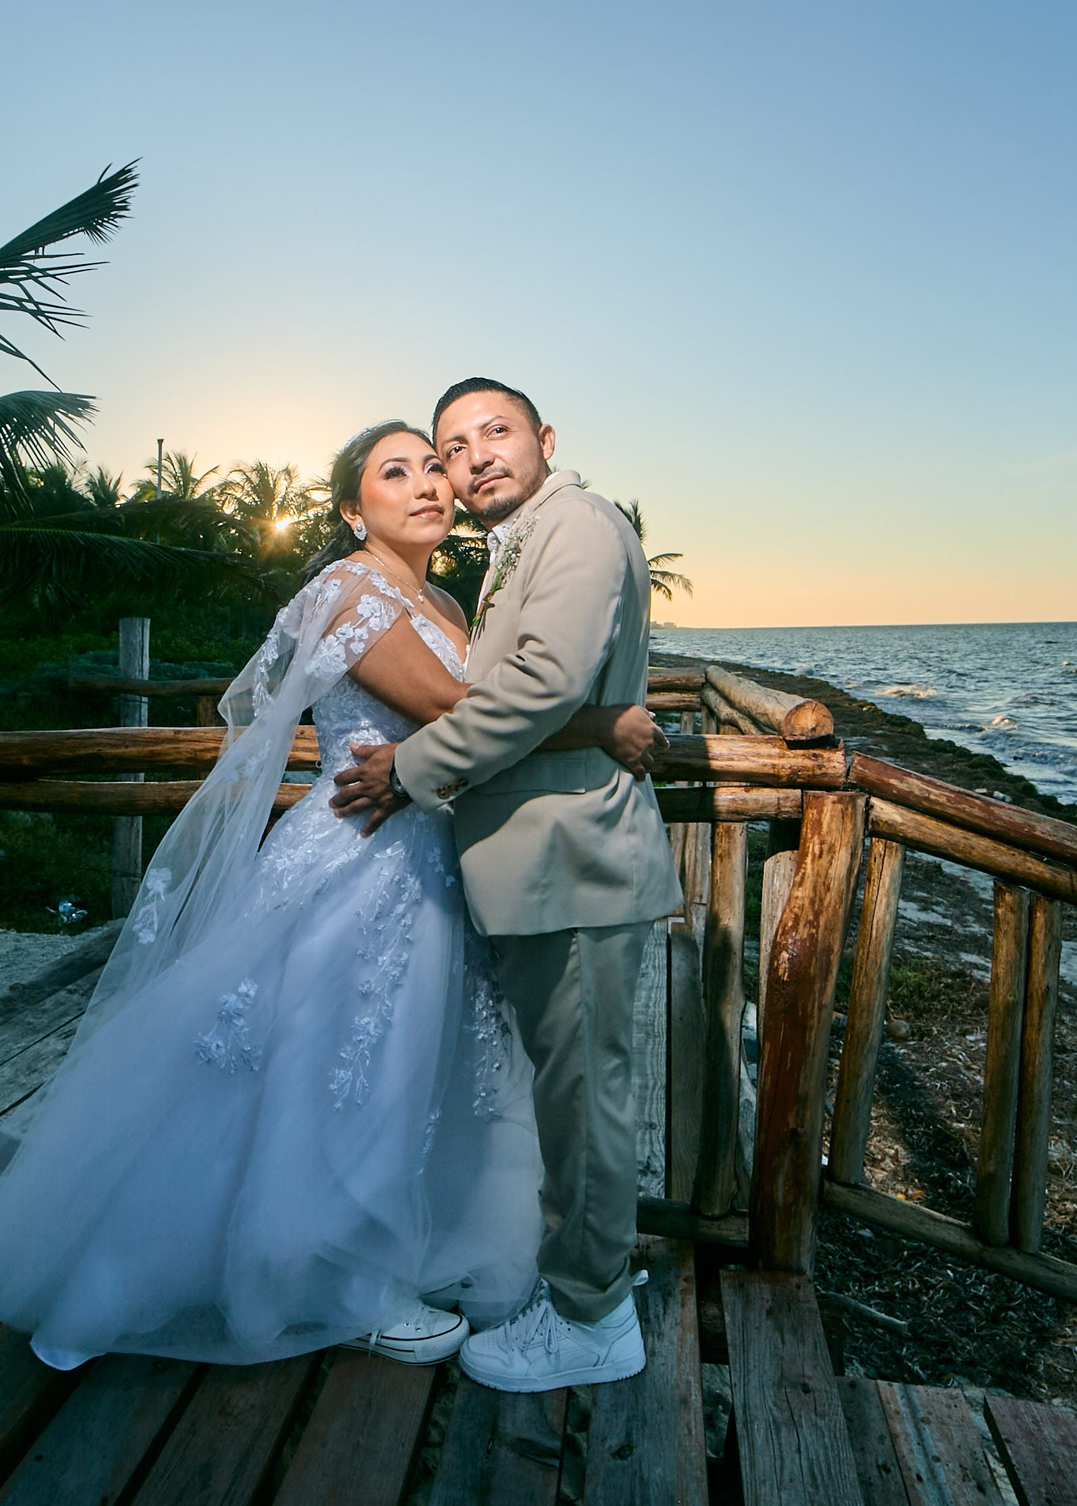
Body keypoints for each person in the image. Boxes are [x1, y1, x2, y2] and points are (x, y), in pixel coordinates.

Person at [0, 421, 662, 1372]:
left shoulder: (449, 597)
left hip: (429, 863)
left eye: (434, 467)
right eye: (395, 470)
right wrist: (602, 722)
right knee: (326, 1069)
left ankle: (386, 1247)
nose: (427, 485)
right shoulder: (346, 590)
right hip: (360, 862)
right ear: (348, 507)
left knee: (401, 1071)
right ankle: (331, 1280)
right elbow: (456, 714)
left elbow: (498, 704)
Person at [331, 377, 681, 1392]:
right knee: (571, 1097)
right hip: (535, 868)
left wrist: (407, 769)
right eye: (451, 445)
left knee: (587, 1105)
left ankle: (591, 1319)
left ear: (545, 440)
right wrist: (598, 719)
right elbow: (529, 689)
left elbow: (535, 684)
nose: (472, 455)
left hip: (572, 862)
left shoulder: (575, 526)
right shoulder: (509, 548)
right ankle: (580, 1288)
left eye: (496, 432)